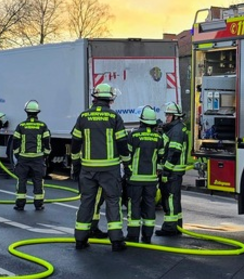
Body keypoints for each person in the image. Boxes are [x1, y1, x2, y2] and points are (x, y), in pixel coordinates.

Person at [70, 83, 129, 252]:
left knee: (87, 202)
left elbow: (75, 142)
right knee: (113, 201)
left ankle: (80, 239)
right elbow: (122, 143)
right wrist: (127, 163)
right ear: (110, 99)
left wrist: (75, 163)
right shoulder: (114, 117)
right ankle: (116, 240)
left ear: (95, 98)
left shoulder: (83, 116)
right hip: (110, 169)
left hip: (88, 168)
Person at [125, 106, 166, 244]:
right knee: (149, 206)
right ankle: (147, 236)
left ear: (141, 121)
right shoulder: (158, 137)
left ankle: (133, 235)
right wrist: (157, 170)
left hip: (135, 178)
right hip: (151, 179)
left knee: (134, 206)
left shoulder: (133, 135)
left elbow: (127, 155)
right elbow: (161, 157)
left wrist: (127, 171)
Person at [156, 101, 190, 237]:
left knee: (170, 198)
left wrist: (166, 171)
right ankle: (177, 225)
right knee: (174, 198)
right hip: (174, 170)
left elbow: (174, 152)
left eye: (169, 115)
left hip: (172, 171)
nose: (167, 117)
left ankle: (170, 228)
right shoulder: (176, 128)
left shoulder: (176, 131)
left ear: (176, 116)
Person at [12, 100, 51, 211]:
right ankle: (38, 204)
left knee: (22, 180)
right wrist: (46, 154)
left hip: (23, 158)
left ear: (26, 112)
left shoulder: (21, 126)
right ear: (37, 112)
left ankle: (20, 204)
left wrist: (17, 154)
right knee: (38, 180)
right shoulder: (42, 126)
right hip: (38, 158)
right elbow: (47, 141)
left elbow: (15, 141)